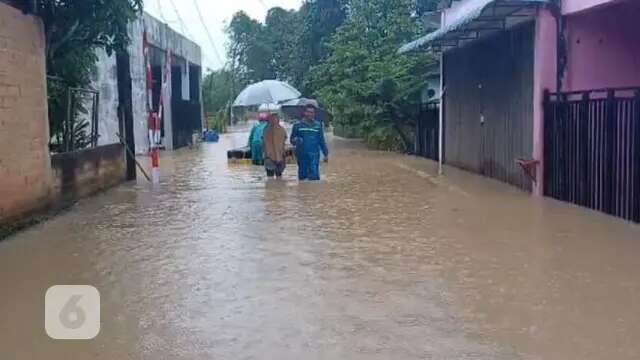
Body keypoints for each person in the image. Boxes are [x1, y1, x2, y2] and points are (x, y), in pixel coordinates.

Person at [290, 104, 329, 181]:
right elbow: (292, 140)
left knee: (314, 176)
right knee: (302, 177)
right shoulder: (297, 125)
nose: (311, 114)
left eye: (312, 112)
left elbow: (321, 140)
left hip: (314, 155)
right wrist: (296, 140)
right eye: (309, 112)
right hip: (302, 155)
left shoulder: (318, 125)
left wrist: (326, 154)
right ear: (304, 113)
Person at [262, 108, 287, 178]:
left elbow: (284, 140)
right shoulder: (266, 129)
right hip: (269, 157)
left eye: (276, 118)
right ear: (269, 120)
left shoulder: (281, 129)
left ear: (278, 119)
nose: (274, 120)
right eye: (272, 118)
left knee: (279, 177)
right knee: (270, 178)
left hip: (280, 156)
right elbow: (264, 142)